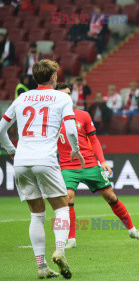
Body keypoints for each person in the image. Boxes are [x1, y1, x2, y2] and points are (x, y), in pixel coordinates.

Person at [0, 59, 84, 279]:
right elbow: (71, 131)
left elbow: (1, 129)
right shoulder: (62, 97)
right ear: (54, 77)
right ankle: (59, 250)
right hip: (45, 160)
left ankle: (41, 266)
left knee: (36, 216)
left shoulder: (22, 98)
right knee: (62, 207)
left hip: (22, 162)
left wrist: (12, 150)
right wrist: (75, 149)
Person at [55, 83, 139, 249]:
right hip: (68, 167)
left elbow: (93, 140)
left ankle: (132, 230)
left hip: (90, 164)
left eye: (69, 93)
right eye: (63, 94)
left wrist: (102, 161)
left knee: (111, 197)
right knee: (68, 197)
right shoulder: (52, 119)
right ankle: (71, 239)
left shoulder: (83, 115)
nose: (68, 97)